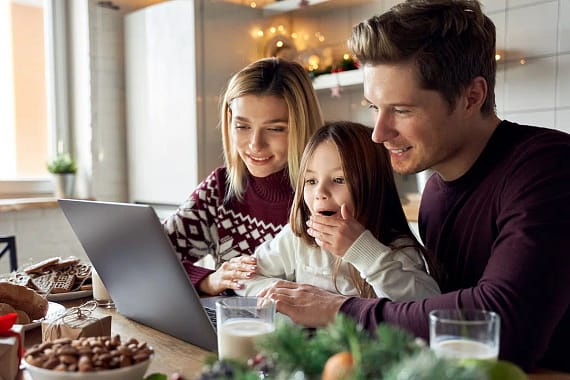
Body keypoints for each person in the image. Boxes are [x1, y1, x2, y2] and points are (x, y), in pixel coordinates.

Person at [258, 0, 570, 373]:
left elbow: (504, 324)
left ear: (472, 97)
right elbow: (435, 308)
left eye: (402, 110)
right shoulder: (436, 194)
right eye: (375, 108)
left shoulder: (549, 166)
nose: (379, 132)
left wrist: (337, 309)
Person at [163, 57, 323, 296]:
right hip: (228, 331)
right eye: (242, 126)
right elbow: (151, 258)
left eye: (275, 129)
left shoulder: (327, 195)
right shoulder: (220, 187)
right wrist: (208, 281)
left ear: (303, 124)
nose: (255, 144)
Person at [237, 121, 440, 300]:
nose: (320, 192)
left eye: (338, 180)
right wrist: (288, 295)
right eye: (311, 181)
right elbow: (245, 277)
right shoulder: (299, 238)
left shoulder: (397, 249)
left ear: (373, 186)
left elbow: (427, 305)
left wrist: (363, 251)